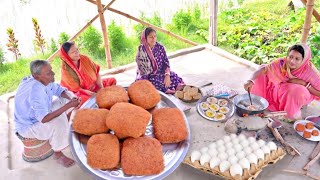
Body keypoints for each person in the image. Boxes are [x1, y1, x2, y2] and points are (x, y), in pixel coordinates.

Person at [14, 60, 81, 167]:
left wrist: (71, 99)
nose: (53, 74)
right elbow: (44, 118)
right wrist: (68, 106)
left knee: (69, 96)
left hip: (41, 113)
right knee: (58, 121)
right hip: (28, 126)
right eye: (49, 73)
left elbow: (59, 90)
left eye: (51, 70)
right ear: (36, 76)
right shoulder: (35, 91)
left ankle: (65, 131)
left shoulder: (43, 80)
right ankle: (58, 154)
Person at [244, 44, 320, 120]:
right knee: (262, 72)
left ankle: (291, 113)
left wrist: (303, 83)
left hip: (298, 94)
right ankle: (258, 102)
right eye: (290, 57)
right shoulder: (282, 63)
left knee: (296, 90)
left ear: (304, 60)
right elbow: (264, 69)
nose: (292, 61)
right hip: (279, 90)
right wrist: (250, 80)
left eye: (297, 59)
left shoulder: (310, 72)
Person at [135, 27, 184, 94]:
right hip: (147, 75)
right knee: (151, 84)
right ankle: (165, 89)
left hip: (161, 72)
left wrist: (167, 75)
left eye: (155, 36)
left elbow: (166, 62)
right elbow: (143, 71)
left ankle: (169, 87)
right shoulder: (141, 50)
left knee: (173, 77)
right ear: (145, 38)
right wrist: (146, 83)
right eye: (150, 37)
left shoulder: (160, 47)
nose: (153, 38)